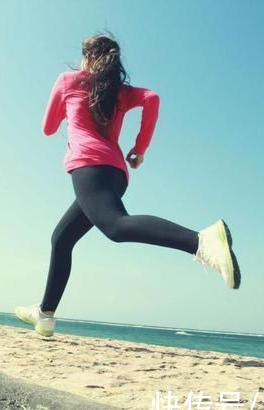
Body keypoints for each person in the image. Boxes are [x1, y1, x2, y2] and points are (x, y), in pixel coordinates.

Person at [15, 32, 241, 337]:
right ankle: (45, 315)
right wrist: (140, 148)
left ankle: (201, 241)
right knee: (62, 238)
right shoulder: (119, 91)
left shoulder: (69, 81)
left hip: (89, 167)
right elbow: (152, 98)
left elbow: (47, 128)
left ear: (87, 57)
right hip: (116, 172)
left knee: (116, 227)